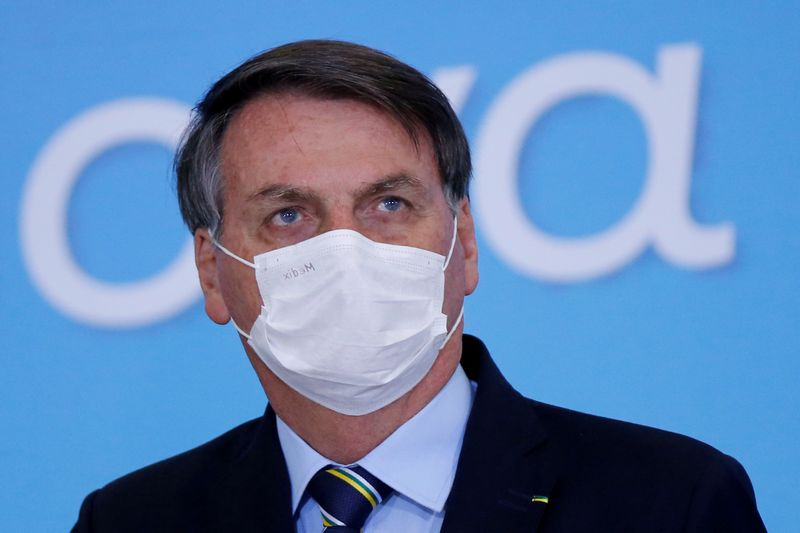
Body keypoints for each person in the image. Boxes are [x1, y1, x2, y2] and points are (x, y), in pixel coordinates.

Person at [72, 39, 766, 532]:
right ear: (210, 271)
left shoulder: (672, 502)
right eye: (289, 215)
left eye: (389, 205)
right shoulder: (131, 518)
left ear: (463, 242)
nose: (345, 250)